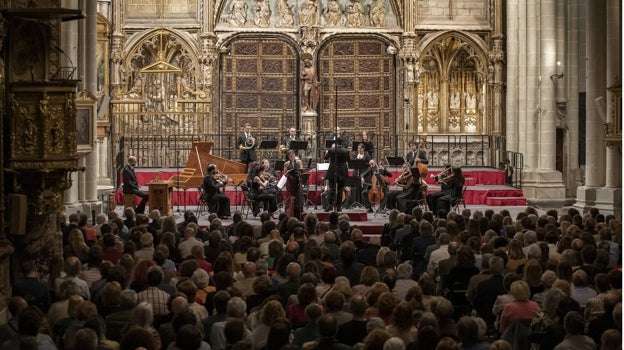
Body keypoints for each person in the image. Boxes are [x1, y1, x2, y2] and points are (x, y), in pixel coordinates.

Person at [324, 141, 349, 212]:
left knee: (331, 188)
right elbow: (348, 160)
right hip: (342, 171)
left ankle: (329, 206)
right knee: (340, 189)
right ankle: (339, 207)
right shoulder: (346, 151)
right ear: (342, 143)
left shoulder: (331, 150)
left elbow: (325, 158)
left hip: (333, 170)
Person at [283, 150, 304, 218]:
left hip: (297, 181)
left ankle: (298, 213)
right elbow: (285, 174)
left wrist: (299, 173)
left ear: (295, 155)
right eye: (290, 156)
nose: (292, 157)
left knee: (298, 196)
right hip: (290, 181)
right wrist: (288, 172)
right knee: (290, 197)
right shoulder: (286, 163)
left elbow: (301, 172)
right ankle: (289, 213)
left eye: (293, 155)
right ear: (288, 156)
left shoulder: (299, 162)